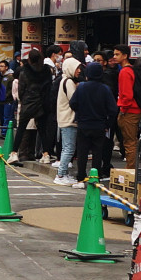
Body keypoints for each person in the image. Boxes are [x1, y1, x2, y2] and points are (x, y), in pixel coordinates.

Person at [68, 63, 117, 183]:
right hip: (99, 125)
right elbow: (113, 110)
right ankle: (95, 176)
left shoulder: (81, 87)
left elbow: (73, 103)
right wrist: (107, 124)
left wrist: (80, 113)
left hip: (83, 124)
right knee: (97, 152)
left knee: (82, 151)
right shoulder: (105, 89)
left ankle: (81, 175)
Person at [10, 47, 51, 164]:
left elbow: (21, 90)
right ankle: (46, 154)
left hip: (28, 102)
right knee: (42, 130)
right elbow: (49, 88)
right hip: (42, 103)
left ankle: (13, 153)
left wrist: (24, 101)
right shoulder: (46, 71)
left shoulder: (24, 72)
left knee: (21, 129)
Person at [109, 45, 141, 169]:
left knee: (130, 142)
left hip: (129, 110)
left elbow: (127, 95)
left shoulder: (124, 71)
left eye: (117, 54)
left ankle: (131, 168)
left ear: (125, 56)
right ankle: (131, 167)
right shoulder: (132, 69)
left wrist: (123, 109)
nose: (114, 57)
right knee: (131, 141)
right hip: (134, 109)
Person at [53, 55, 82, 185]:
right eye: (77, 68)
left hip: (63, 119)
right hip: (68, 119)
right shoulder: (68, 82)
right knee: (69, 148)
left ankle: (63, 173)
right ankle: (60, 175)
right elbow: (75, 100)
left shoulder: (64, 80)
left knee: (67, 147)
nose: (79, 71)